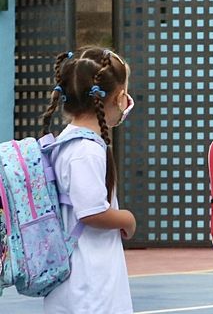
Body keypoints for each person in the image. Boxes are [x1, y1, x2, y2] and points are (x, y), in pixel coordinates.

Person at [39, 47, 137, 313]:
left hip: (77, 286)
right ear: (118, 98)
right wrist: (127, 219)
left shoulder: (67, 142)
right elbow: (91, 212)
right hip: (89, 287)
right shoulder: (86, 150)